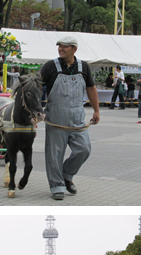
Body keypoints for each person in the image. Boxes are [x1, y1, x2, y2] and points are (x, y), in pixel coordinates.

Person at [40, 36, 99, 200]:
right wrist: (35, 110)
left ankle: (67, 174)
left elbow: (91, 88)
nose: (61, 49)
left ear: (74, 49)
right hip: (55, 118)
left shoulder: (84, 67)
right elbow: (36, 87)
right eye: (59, 46)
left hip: (77, 117)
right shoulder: (50, 66)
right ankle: (57, 186)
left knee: (84, 149)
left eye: (65, 47)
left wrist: (96, 111)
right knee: (54, 154)